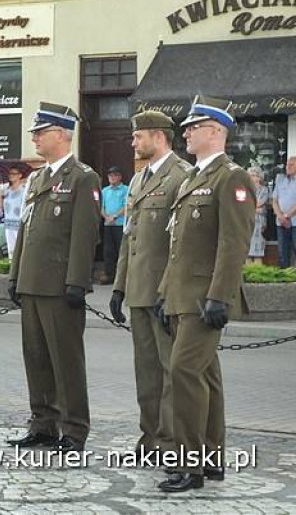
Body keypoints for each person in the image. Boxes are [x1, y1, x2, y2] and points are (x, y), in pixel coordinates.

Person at [156, 96, 255, 493]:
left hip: (205, 298)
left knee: (183, 372)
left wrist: (220, 296)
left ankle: (190, 464)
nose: (186, 133)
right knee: (206, 378)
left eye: (194, 127)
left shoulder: (231, 177)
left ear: (215, 132)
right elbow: (178, 245)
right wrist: (165, 292)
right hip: (183, 295)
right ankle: (211, 460)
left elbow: (234, 244)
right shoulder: (194, 176)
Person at [7, 102, 101, 453]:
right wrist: (16, 277)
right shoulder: (38, 177)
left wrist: (77, 281)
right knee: (37, 358)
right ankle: (43, 424)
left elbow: (84, 234)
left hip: (60, 286)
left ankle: (74, 430)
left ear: (61, 135)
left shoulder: (82, 177)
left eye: (40, 132)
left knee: (66, 362)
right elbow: (26, 231)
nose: (34, 138)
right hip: (32, 282)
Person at [109, 111, 192, 461]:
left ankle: (172, 442)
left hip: (163, 293)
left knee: (170, 371)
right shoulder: (139, 179)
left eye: (137, 136)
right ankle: (150, 440)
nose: (133, 142)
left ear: (158, 137)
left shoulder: (182, 176)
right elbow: (131, 238)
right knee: (146, 372)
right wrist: (118, 287)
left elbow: (183, 244)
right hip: (139, 290)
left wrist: (168, 290)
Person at [100, 166, 128, 284]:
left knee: (121, 250)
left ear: (120, 177)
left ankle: (122, 276)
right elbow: (101, 206)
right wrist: (106, 217)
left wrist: (115, 216)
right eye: (110, 176)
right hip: (108, 224)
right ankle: (109, 274)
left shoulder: (126, 189)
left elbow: (127, 205)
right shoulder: (105, 191)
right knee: (108, 250)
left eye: (115, 175)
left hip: (120, 224)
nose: (112, 178)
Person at [272, 157, 296, 268]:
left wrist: (287, 216)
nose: (288, 167)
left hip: (294, 222)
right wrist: (280, 217)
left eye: (291, 165)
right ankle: (284, 279)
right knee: (282, 251)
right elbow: (274, 200)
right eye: (287, 164)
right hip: (281, 222)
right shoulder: (280, 180)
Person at [247, 167, 271, 263]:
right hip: (247, 221)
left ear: (259, 177)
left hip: (259, 223)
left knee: (257, 251)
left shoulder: (264, 190)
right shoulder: (245, 189)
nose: (250, 177)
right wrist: (255, 209)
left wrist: (250, 207)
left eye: (253, 175)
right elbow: (243, 204)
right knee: (247, 251)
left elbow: (259, 203)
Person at [4, 166, 27, 254]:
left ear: (20, 175)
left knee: (19, 250)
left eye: (14, 174)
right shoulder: (7, 190)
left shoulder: (24, 190)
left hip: (18, 224)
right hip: (8, 224)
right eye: (10, 174)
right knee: (10, 250)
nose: (11, 176)